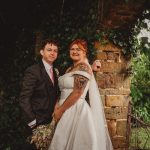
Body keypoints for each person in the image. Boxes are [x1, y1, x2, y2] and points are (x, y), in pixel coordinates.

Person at [49, 39, 113, 150]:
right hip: (62, 107)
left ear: (84, 52)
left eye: (78, 49)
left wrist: (61, 110)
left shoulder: (84, 67)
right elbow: (63, 90)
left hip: (75, 110)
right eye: (72, 49)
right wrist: (56, 106)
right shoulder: (70, 68)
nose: (74, 51)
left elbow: (78, 92)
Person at [19, 39, 60, 150]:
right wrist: (33, 122)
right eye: (49, 50)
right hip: (36, 123)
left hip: (51, 122)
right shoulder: (33, 71)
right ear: (42, 52)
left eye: (55, 51)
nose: (52, 53)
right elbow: (24, 98)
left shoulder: (55, 71)